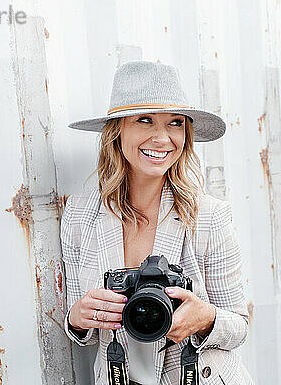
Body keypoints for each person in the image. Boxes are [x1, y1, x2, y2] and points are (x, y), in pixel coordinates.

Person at [61, 61, 253, 385]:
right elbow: (81, 329)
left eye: (175, 123)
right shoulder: (79, 216)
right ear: (117, 129)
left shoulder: (209, 216)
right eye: (145, 120)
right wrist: (78, 317)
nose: (162, 138)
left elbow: (239, 326)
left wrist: (204, 318)